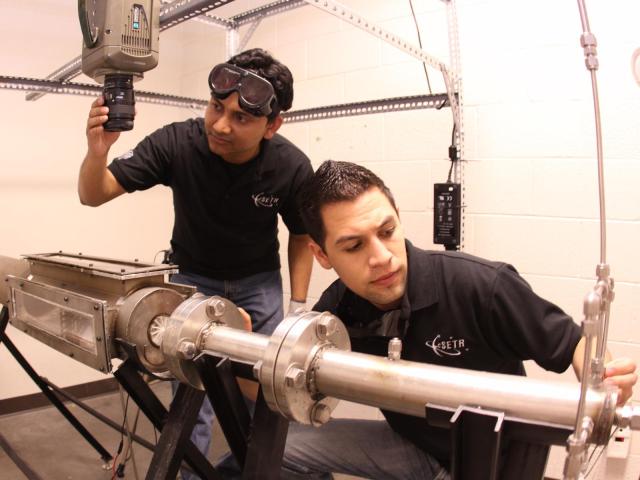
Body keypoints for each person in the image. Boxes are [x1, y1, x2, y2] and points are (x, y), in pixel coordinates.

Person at [280, 160, 637, 480]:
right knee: (280, 447)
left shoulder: (480, 286)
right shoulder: (339, 308)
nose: (381, 258)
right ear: (322, 255)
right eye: (354, 246)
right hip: (417, 449)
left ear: (398, 218)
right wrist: (256, 357)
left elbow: (575, 342)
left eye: (387, 232)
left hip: (493, 463)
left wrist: (602, 375)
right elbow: (284, 380)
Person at [79, 48, 314, 479]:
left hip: (258, 286)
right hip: (192, 283)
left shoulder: (291, 166)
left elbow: (301, 235)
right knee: (193, 402)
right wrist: (98, 152)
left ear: (272, 125)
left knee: (264, 400)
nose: (221, 125)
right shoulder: (177, 143)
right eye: (216, 107)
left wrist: (298, 307)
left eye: (241, 119)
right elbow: (94, 194)